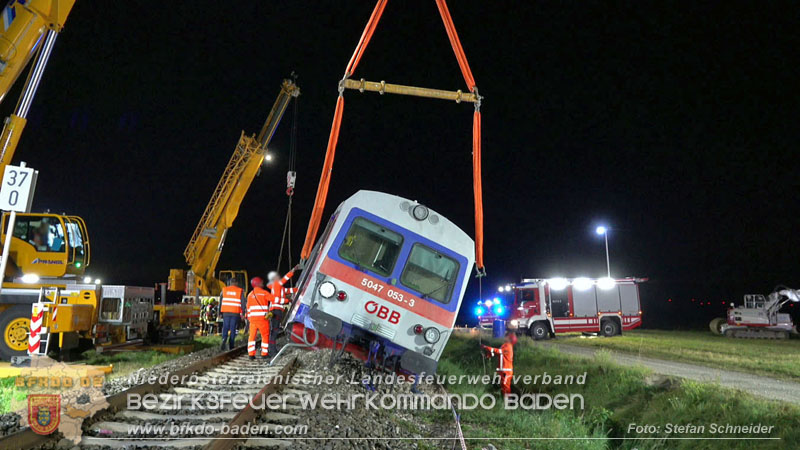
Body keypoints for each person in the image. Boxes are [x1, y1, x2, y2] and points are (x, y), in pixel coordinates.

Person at [267, 265, 301, 355]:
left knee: (274, 330)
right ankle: (272, 350)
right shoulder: (277, 284)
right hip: (276, 310)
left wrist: (299, 289)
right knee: (274, 330)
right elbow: (286, 278)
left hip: (276, 310)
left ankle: (271, 349)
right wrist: (293, 270)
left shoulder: (279, 288)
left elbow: (288, 290)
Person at [246, 276, 274, 360]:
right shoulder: (264, 293)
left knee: (252, 336)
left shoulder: (250, 295)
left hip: (253, 320)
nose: (263, 284)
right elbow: (274, 299)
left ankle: (251, 354)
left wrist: (249, 319)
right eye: (261, 282)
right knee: (265, 336)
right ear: (258, 284)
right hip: (263, 319)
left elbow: (248, 309)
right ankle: (264, 353)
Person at [482, 331, 517, 396]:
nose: (505, 337)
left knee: (506, 387)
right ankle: (505, 400)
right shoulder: (505, 345)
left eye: (507, 336)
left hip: (506, 371)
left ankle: (507, 401)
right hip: (504, 370)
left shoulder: (508, 346)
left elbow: (499, 351)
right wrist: (488, 355)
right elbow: (498, 353)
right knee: (504, 386)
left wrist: (486, 347)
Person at [219, 278, 244, 351]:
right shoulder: (240, 291)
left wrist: (219, 313)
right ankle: (231, 343)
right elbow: (243, 304)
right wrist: (243, 313)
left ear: (230, 283)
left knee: (225, 327)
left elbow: (220, 303)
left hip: (226, 312)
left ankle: (224, 339)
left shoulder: (224, 290)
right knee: (233, 328)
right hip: (235, 313)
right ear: (236, 283)